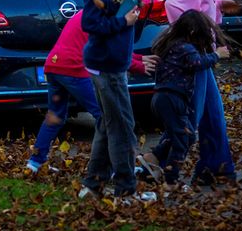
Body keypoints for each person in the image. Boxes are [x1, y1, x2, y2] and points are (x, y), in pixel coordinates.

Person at [79, 0, 155, 203]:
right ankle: (126, 191)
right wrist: (125, 21)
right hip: (106, 65)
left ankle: (92, 185)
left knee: (107, 125)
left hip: (114, 63)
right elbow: (90, 23)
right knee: (123, 126)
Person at [27, 10, 154, 173]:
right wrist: (139, 66)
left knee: (55, 117)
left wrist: (139, 58)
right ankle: (117, 168)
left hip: (54, 66)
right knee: (108, 117)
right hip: (75, 68)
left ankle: (35, 163)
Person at [162, 0, 242, 184]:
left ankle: (216, 169)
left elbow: (198, 6)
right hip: (198, 55)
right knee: (194, 116)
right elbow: (173, 5)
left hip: (202, 54)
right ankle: (159, 159)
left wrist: (217, 5)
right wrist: (191, 41)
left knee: (212, 114)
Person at [145, 10, 230, 187]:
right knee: (183, 138)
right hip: (171, 99)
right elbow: (197, 63)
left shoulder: (173, 45)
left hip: (164, 98)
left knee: (184, 135)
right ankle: (171, 180)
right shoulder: (186, 48)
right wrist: (217, 55)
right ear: (193, 32)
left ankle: (155, 156)